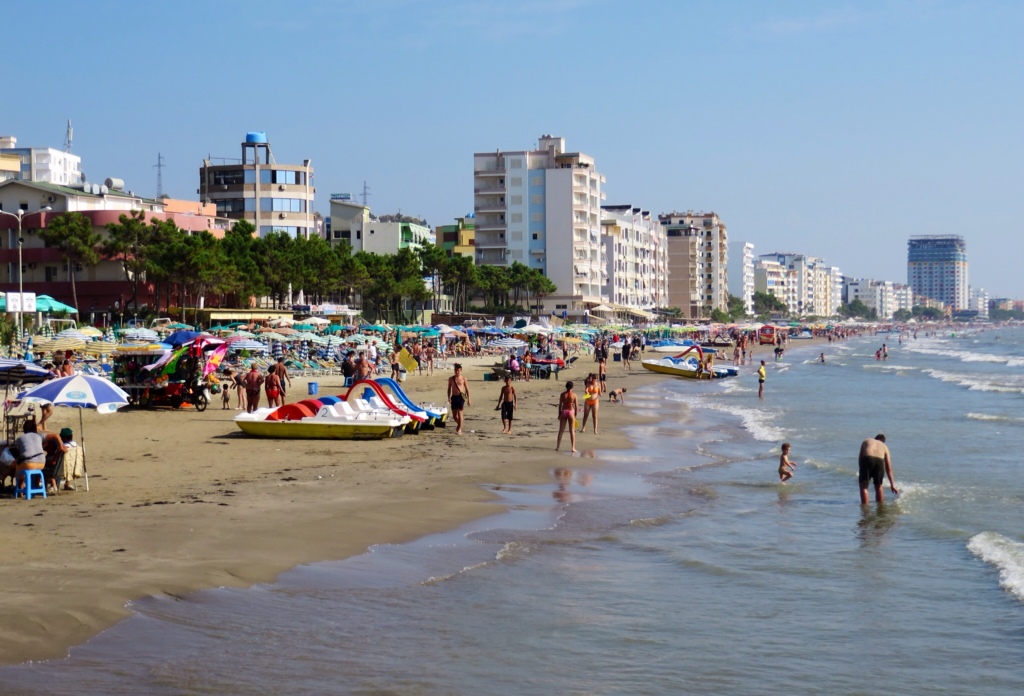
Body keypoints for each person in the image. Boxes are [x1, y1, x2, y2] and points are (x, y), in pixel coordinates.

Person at [859, 434, 899, 503]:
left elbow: (860, 458)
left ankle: (865, 508)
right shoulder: (885, 447)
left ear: (875, 438)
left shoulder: (867, 441)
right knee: (879, 486)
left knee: (864, 486)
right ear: (883, 441)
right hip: (880, 461)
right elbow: (889, 469)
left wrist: (862, 470)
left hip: (867, 458)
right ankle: (880, 506)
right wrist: (892, 484)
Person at [555, 380, 579, 453]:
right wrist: (575, 415)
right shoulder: (574, 395)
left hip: (564, 411)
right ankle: (573, 448)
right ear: (572, 387)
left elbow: (560, 405)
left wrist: (559, 414)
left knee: (561, 430)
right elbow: (576, 406)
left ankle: (558, 446)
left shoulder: (562, 394)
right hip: (571, 412)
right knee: (572, 431)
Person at [447, 363, 471, 434]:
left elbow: (467, 389)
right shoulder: (451, 379)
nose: (457, 372)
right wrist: (448, 397)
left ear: (461, 371)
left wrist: (469, 399)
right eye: (455, 370)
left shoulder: (463, 379)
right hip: (454, 397)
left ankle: (459, 429)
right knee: (454, 416)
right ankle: (460, 424)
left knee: (460, 413)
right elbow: (449, 389)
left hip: (461, 396)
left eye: (458, 370)